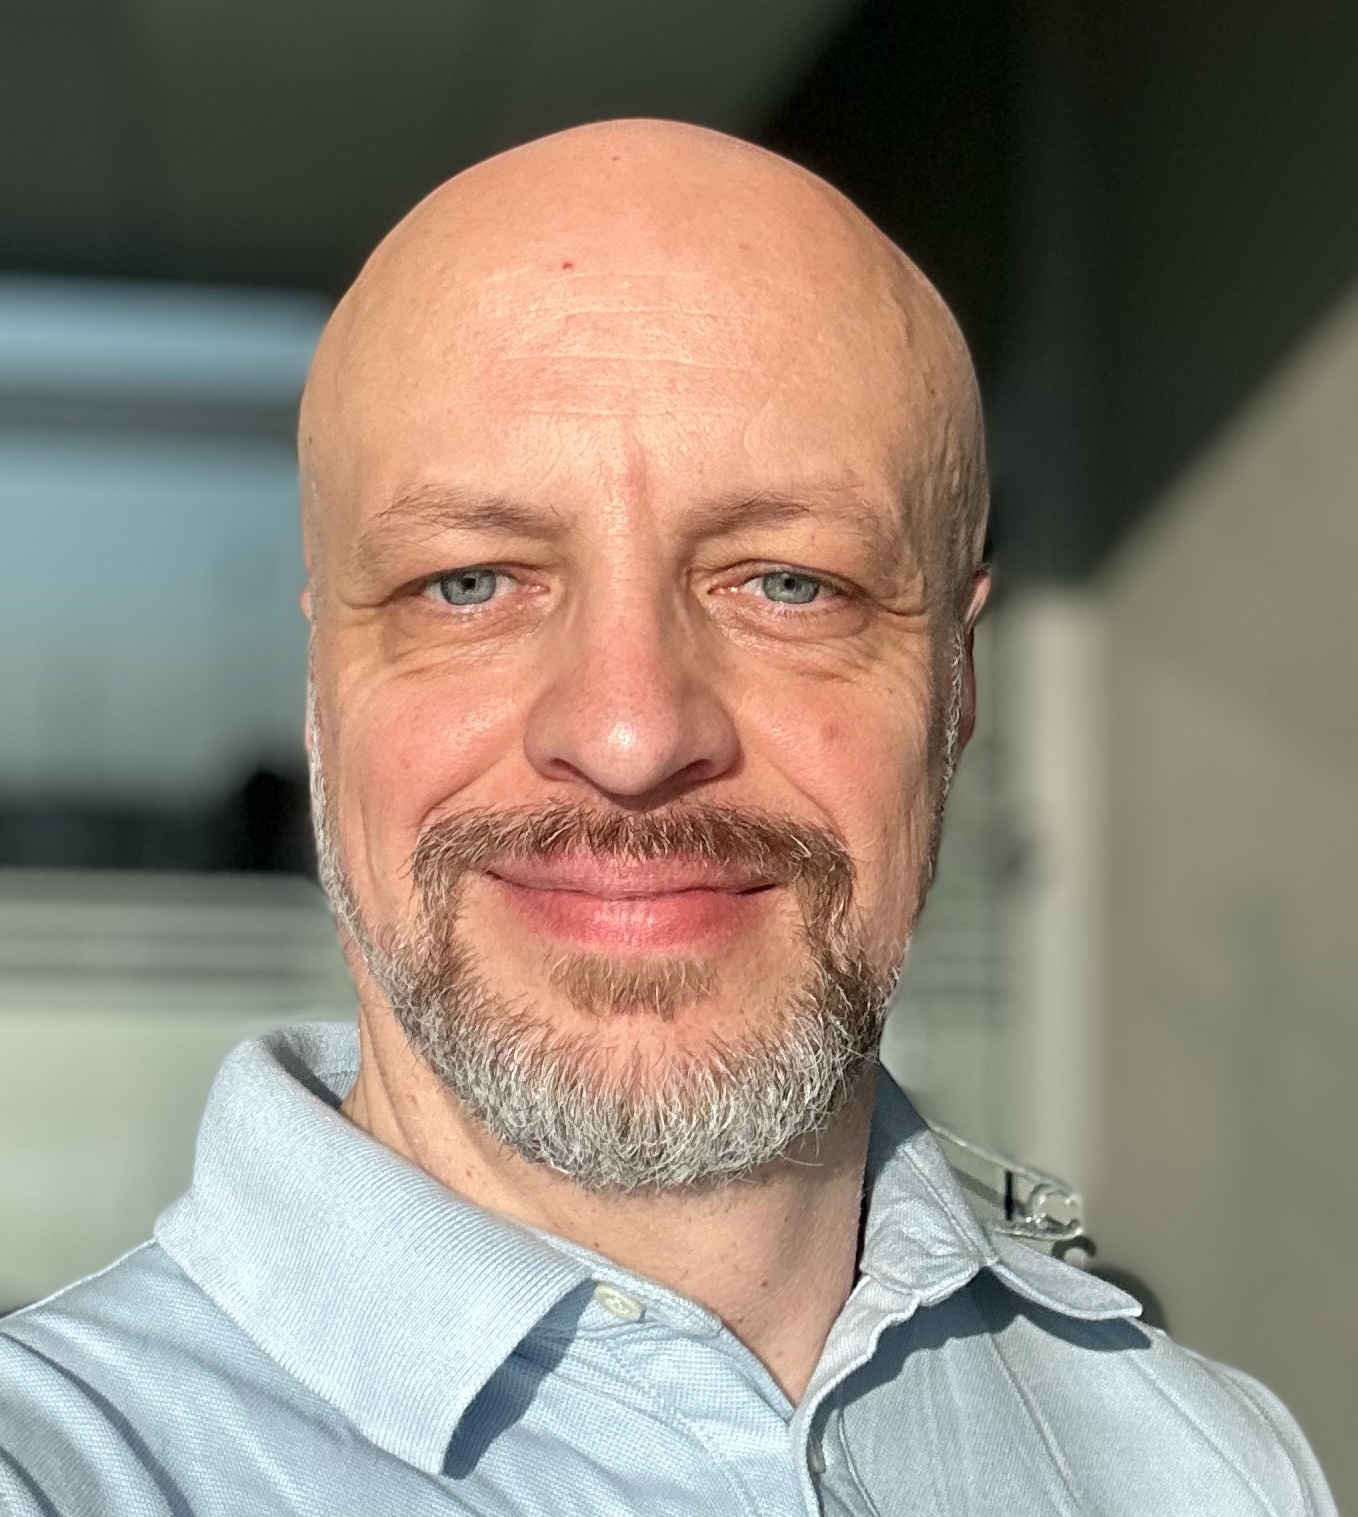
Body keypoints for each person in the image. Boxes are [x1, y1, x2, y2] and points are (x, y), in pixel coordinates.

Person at [0, 120, 1333, 1516]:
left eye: (788, 583)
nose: (630, 738)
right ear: (321, 686)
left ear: (956, 685)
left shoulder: (1207, 1465)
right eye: (469, 583)